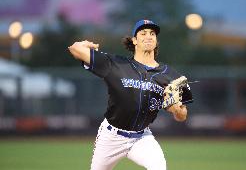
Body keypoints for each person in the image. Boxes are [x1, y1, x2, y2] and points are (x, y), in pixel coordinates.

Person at [68, 19, 193, 170]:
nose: (149, 36)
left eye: (152, 33)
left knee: (159, 167)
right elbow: (75, 49)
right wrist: (85, 44)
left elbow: (182, 116)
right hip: (110, 137)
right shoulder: (115, 65)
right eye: (143, 33)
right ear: (134, 40)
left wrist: (175, 109)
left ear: (156, 40)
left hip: (142, 137)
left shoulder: (171, 76)